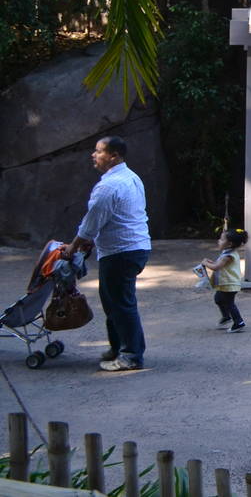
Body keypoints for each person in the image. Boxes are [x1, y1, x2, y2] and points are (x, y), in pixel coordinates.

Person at [68, 136, 151, 372]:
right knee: (115, 302)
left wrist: (74, 246)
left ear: (113, 156)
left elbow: (91, 223)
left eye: (98, 151)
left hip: (120, 252)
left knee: (120, 304)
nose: (93, 155)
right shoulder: (131, 177)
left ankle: (131, 355)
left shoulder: (109, 186)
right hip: (132, 247)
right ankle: (120, 348)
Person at [201, 230, 248, 332]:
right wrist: (212, 262)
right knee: (218, 299)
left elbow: (216, 267)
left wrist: (205, 263)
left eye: (222, 239)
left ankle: (238, 322)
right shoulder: (226, 253)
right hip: (225, 284)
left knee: (229, 303)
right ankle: (226, 317)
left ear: (229, 244)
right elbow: (220, 265)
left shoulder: (228, 256)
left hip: (229, 284)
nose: (219, 241)